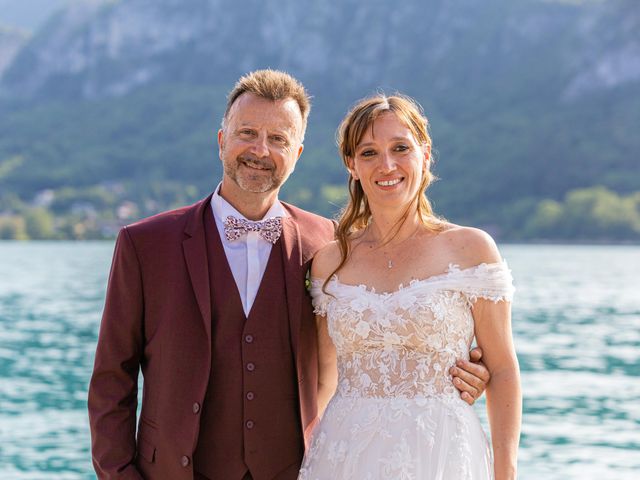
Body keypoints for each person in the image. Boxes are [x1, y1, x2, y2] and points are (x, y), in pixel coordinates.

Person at [88, 70, 491, 480]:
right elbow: (111, 381)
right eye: (247, 133)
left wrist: (459, 367)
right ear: (222, 140)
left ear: (297, 154)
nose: (260, 150)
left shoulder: (332, 247)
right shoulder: (145, 244)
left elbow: (381, 330)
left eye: (278, 139)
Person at [298, 94, 521, 479]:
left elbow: (501, 370)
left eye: (401, 148)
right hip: (344, 454)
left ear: (426, 153)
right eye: (369, 153)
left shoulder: (470, 249)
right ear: (351, 165)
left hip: (441, 453)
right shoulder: (329, 262)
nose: (387, 165)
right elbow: (322, 376)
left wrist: (506, 472)